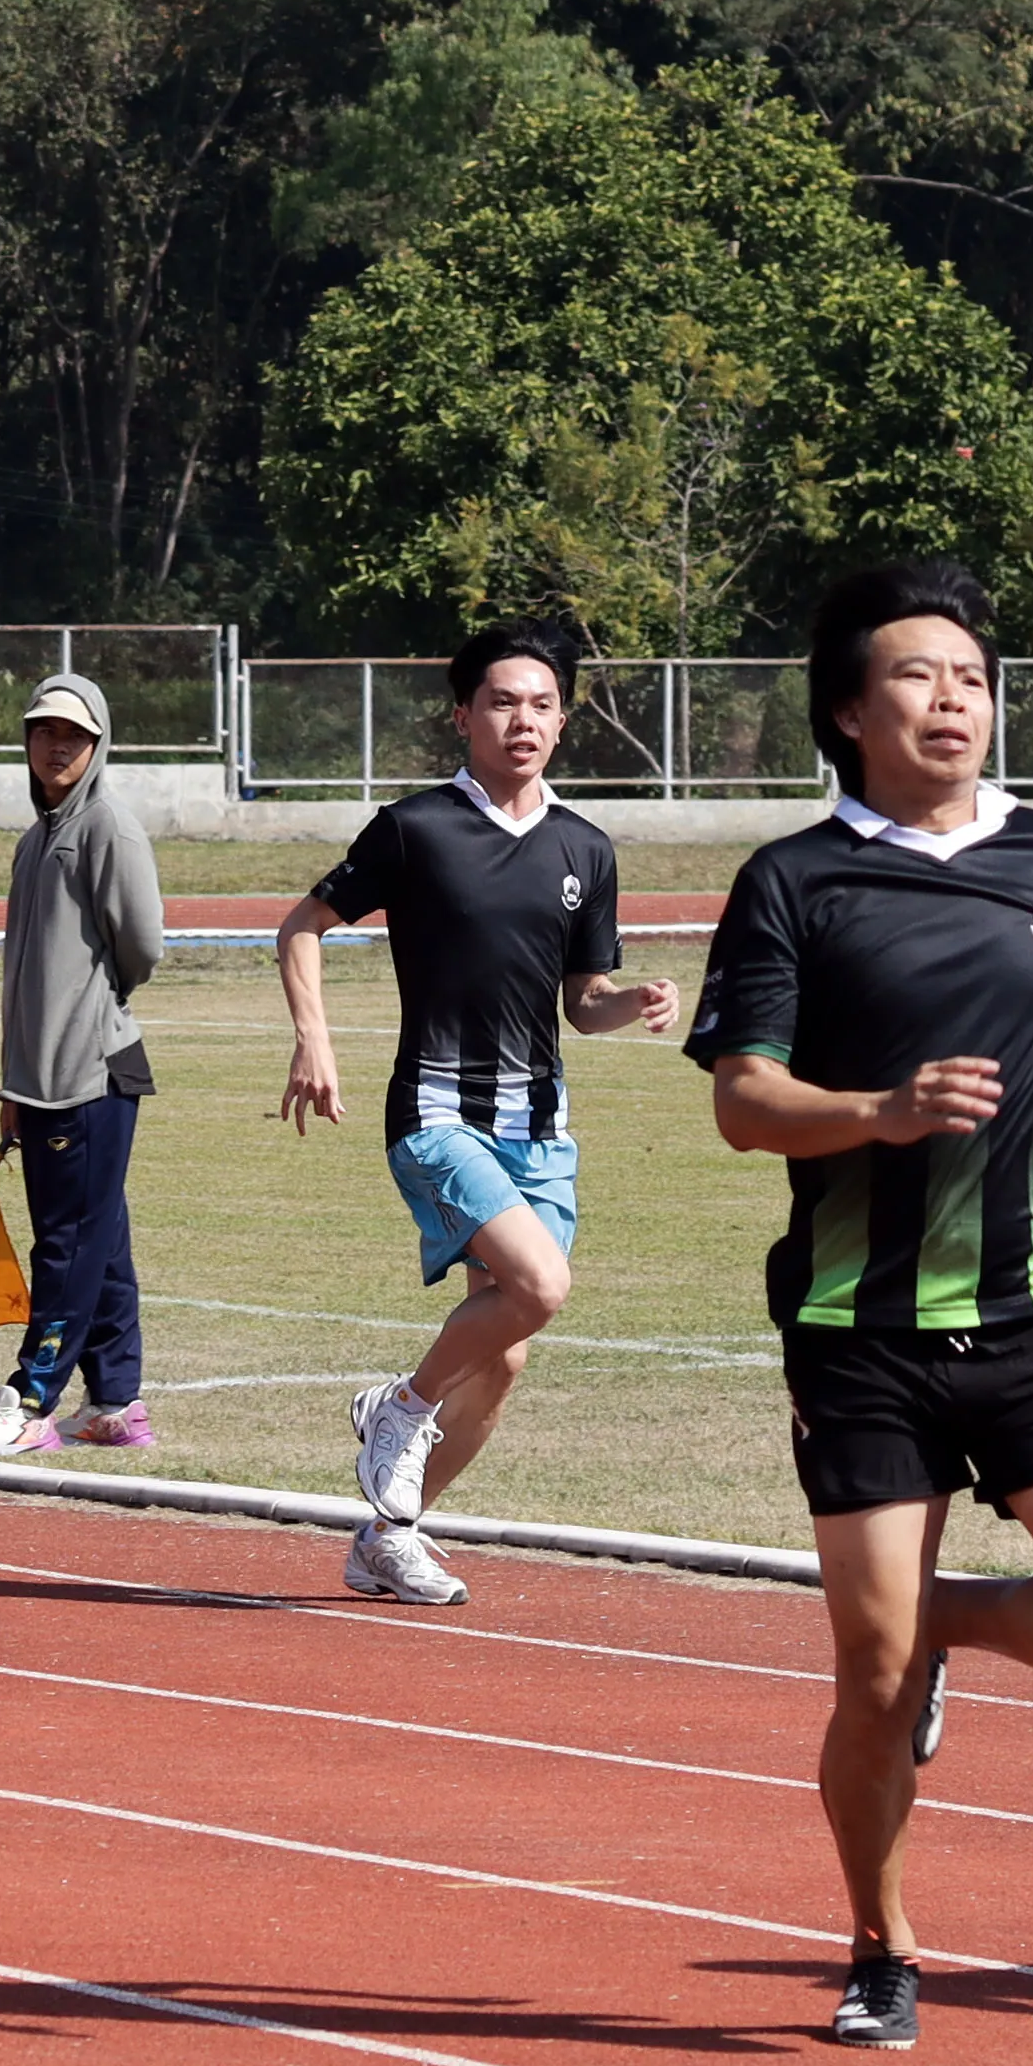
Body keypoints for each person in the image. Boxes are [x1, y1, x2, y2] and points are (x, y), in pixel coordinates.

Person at [689, 563, 1033, 2050]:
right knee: (866, 1672)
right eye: (917, 675)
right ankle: (881, 1946)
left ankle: (946, 1630)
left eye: (972, 675)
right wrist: (879, 1109)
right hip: (861, 1336)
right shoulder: (792, 880)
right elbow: (742, 1103)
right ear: (850, 712)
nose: (954, 697)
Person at [274, 622, 681, 1605]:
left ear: (563, 718)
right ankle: (398, 1406)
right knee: (540, 1283)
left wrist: (628, 1005)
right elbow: (303, 925)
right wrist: (315, 1038)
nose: (524, 719)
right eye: (503, 701)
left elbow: (581, 1001)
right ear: (463, 714)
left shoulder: (585, 845)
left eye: (542, 703)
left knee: (506, 1351)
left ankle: (389, 1535)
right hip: (436, 1110)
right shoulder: (416, 828)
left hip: (539, 1123)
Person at [0, 670, 170, 1456]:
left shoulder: (108, 827)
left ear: (97, 744)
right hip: (42, 1078)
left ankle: (31, 1400)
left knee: (67, 1242)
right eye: (43, 732)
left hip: (94, 1070)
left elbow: (141, 943)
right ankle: (114, 1401)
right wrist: (15, 1085)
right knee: (98, 1234)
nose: (55, 745)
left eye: (72, 735)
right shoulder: (36, 838)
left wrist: (93, 1006)